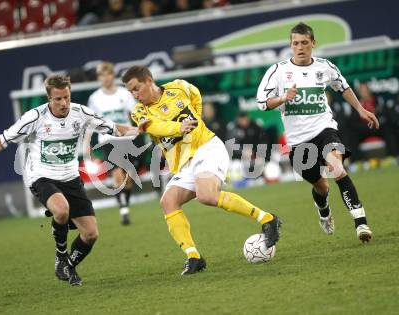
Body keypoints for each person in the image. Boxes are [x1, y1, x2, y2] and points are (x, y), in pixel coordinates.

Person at [0, 75, 138, 285]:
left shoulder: (81, 113)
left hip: (70, 178)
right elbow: (3, 140)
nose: (64, 103)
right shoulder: (35, 117)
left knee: (90, 234)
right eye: (58, 99)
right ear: (49, 98)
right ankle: (61, 255)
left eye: (67, 97)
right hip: (42, 177)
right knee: (61, 210)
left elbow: (115, 128)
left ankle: (69, 267)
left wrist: (141, 130)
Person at [122, 66, 282, 275]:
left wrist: (197, 120)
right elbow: (155, 128)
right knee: (168, 202)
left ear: (149, 80)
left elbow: (195, 94)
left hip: (207, 148)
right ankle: (194, 257)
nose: (135, 94)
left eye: (136, 88)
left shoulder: (178, 87)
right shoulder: (139, 111)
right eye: (130, 91)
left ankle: (268, 219)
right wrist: (178, 128)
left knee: (207, 196)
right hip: (185, 163)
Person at [256, 22, 379, 242]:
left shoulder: (325, 67)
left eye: (304, 43)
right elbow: (262, 103)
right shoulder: (278, 71)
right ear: (290, 45)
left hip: (325, 129)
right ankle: (323, 208)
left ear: (313, 43)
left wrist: (361, 109)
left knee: (338, 169)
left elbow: (342, 87)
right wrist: (284, 98)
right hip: (298, 142)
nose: (300, 47)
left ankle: (361, 224)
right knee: (321, 187)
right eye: (295, 43)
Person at [88, 62, 138, 225]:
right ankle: (123, 210)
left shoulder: (125, 94)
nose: (106, 78)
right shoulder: (95, 98)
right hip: (107, 140)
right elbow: (91, 121)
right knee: (117, 174)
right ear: (99, 78)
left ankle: (125, 205)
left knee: (128, 179)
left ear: (113, 75)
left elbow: (135, 113)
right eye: (102, 75)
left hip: (126, 139)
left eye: (108, 74)